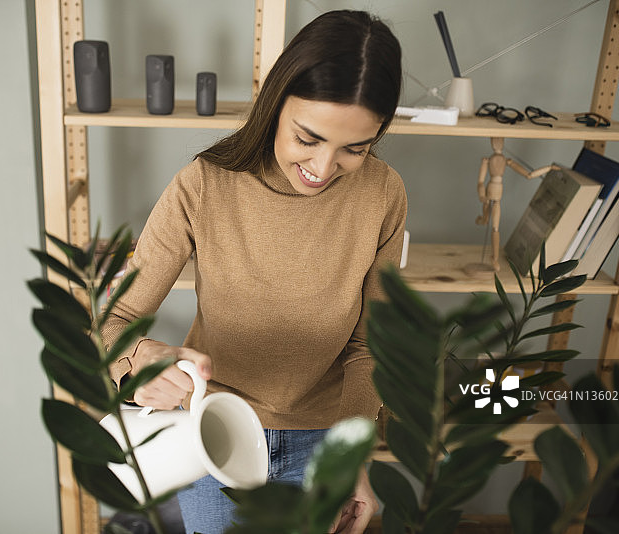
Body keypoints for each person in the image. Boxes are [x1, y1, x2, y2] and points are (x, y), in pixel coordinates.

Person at [102, 9, 406, 534]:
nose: (324, 168)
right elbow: (117, 314)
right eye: (307, 138)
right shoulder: (203, 185)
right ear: (274, 102)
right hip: (213, 435)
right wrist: (137, 361)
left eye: (355, 148)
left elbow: (370, 344)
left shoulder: (384, 193)